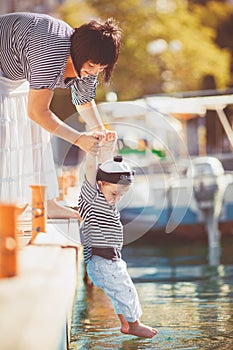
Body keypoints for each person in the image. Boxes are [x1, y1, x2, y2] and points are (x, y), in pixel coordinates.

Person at [0, 12, 121, 218]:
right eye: (91, 66)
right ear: (77, 53)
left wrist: (100, 130)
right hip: (6, 69)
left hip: (14, 75)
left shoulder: (86, 60)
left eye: (101, 69)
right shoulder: (50, 52)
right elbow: (37, 111)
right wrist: (78, 139)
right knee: (5, 137)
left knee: (39, 134)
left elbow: (83, 100)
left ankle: (46, 204)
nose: (94, 72)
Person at [77, 131, 158, 338]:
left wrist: (107, 147)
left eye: (121, 195)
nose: (117, 199)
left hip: (109, 259)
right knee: (126, 291)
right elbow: (92, 169)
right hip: (102, 260)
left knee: (119, 294)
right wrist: (92, 152)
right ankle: (135, 324)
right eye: (115, 193)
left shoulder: (106, 197)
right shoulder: (92, 198)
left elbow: (106, 169)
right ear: (100, 185)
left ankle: (126, 325)